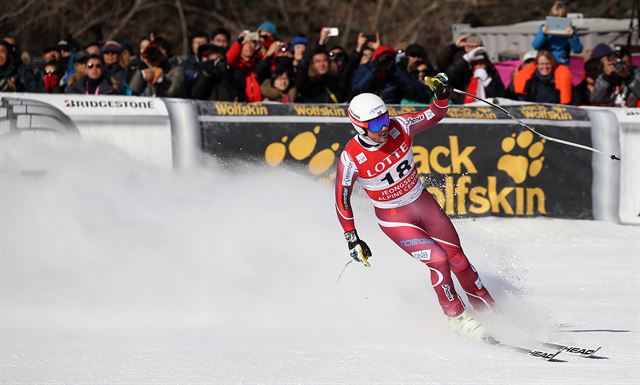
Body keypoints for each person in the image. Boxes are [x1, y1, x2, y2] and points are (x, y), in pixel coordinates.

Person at [334, 73, 496, 342]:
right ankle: (456, 316)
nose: (383, 126)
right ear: (359, 126)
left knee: (459, 260)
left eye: (384, 118)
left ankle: (491, 312)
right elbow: (342, 200)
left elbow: (434, 114)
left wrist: (442, 95)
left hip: (423, 202)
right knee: (439, 260)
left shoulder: (401, 126)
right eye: (375, 123)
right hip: (395, 218)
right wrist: (352, 239)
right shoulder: (351, 157)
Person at [531, 1, 582, 65]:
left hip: (561, 62)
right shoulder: (544, 28)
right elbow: (536, 46)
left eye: (561, 18)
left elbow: (577, 50)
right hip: (546, 63)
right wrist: (543, 34)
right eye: (555, 18)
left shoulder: (570, 30)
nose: (558, 22)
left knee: (564, 74)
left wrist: (572, 36)